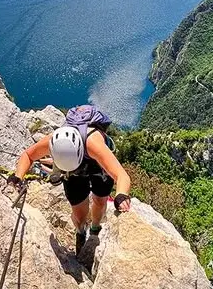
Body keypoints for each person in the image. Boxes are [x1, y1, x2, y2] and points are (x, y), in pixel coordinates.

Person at [7, 105, 131, 254]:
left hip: (98, 165)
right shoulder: (53, 141)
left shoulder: (93, 144)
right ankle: (80, 230)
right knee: (79, 213)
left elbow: (121, 175)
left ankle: (95, 228)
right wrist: (17, 176)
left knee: (100, 200)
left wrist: (121, 195)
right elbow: (28, 155)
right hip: (72, 171)